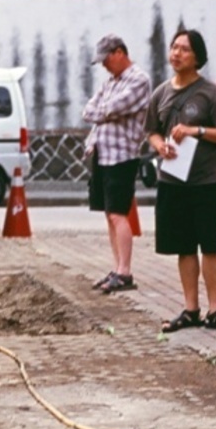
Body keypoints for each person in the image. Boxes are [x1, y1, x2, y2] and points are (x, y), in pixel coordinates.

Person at [145, 30, 216, 332]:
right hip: (172, 182)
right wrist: (159, 145)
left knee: (211, 246)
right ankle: (191, 309)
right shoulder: (161, 93)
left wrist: (197, 131)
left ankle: (215, 310)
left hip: (207, 182)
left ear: (198, 57)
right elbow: (151, 130)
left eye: (184, 50)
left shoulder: (212, 94)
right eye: (174, 47)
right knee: (184, 247)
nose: (176, 54)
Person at [83, 34, 153, 293]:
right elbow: (89, 110)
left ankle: (125, 271)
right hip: (102, 151)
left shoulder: (138, 80)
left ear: (119, 52)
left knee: (118, 212)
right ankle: (117, 267)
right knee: (108, 213)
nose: (104, 65)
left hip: (122, 154)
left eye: (106, 59)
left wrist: (104, 112)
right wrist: (103, 112)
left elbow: (111, 108)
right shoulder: (110, 82)